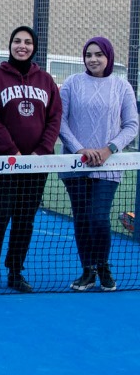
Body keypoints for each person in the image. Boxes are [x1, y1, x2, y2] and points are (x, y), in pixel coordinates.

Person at [0, 26, 62, 294]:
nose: (22, 46)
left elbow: (54, 118)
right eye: (17, 41)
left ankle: (15, 271)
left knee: (25, 219)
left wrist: (40, 152)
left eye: (27, 42)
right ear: (10, 45)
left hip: (36, 165)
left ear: (34, 47)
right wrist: (12, 151)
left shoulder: (46, 81)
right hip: (3, 163)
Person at [58, 36, 137, 291]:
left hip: (107, 167)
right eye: (88, 55)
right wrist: (80, 150)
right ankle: (88, 271)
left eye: (98, 54)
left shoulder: (122, 86)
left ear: (108, 57)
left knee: (99, 218)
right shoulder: (72, 83)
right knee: (82, 218)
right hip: (75, 166)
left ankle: (103, 266)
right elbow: (59, 121)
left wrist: (108, 150)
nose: (93, 59)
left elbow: (131, 125)